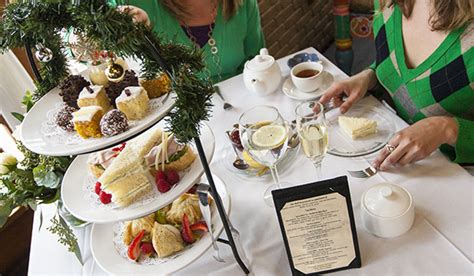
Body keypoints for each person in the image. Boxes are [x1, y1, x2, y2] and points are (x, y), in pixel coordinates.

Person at [320, 0, 473, 170]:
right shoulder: (387, 3)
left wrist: (447, 129)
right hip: (399, 162)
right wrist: (370, 76)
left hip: (457, 174)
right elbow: (406, 73)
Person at [112, 0, 265, 83]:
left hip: (240, 107)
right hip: (176, 124)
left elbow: (257, 62)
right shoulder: (136, 4)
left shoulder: (243, 3)